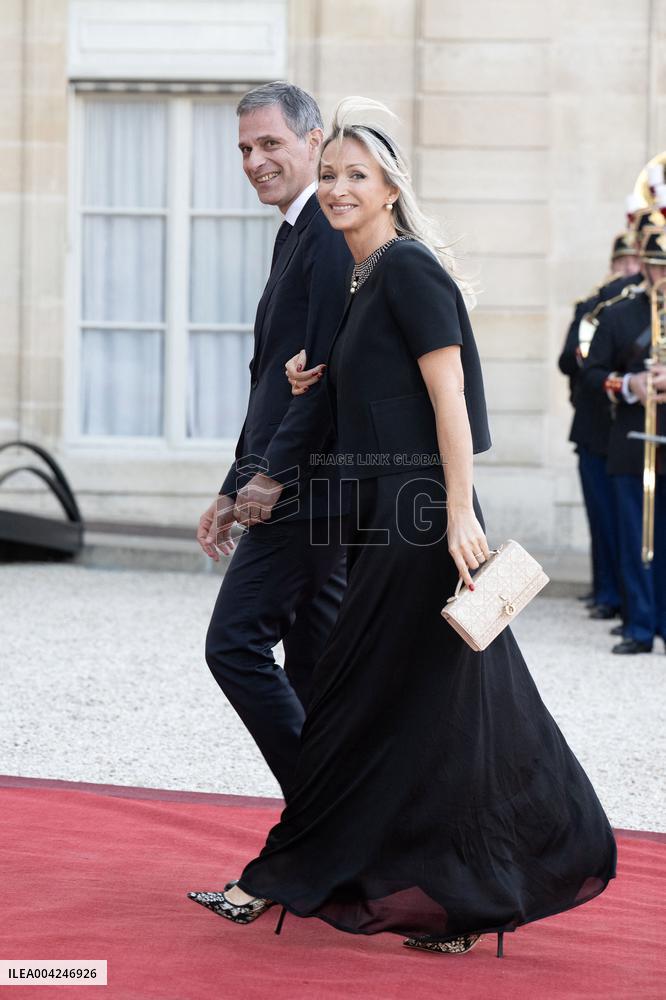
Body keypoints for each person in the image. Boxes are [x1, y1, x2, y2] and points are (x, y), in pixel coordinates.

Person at [189, 97, 616, 957]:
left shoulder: (408, 268)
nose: (338, 188)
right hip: (384, 523)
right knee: (437, 716)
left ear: (391, 188)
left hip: (424, 528)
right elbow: (380, 394)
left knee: (381, 707)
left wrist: (457, 515)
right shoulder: (361, 281)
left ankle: (286, 876)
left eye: (357, 175)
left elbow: (449, 399)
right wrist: (317, 383)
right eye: (331, 175)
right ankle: (460, 897)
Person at [196, 83, 352, 800]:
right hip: (294, 484)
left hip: (304, 490)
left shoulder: (326, 232)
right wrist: (234, 481)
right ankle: (334, 828)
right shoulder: (297, 229)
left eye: (270, 144)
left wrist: (268, 479)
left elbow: (321, 381)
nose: (254, 161)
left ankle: (324, 815)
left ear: (314, 141)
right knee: (315, 667)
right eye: (244, 149)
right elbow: (271, 380)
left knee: (234, 646)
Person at [581, 226, 666, 654]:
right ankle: (640, 626)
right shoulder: (619, 314)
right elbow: (591, 373)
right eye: (657, 267)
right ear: (645, 269)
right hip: (632, 440)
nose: (662, 276)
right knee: (635, 538)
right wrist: (630, 384)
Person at [558, 231, 642, 619]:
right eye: (623, 262)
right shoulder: (594, 305)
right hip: (595, 427)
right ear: (613, 265)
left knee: (631, 522)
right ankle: (607, 591)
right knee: (603, 517)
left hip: (630, 429)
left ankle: (632, 599)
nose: (630, 269)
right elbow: (568, 362)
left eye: (636, 262)